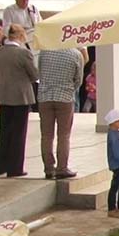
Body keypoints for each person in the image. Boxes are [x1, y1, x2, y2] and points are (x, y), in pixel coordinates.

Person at [0, 24, 39, 177]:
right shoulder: (23, 53)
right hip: (21, 96)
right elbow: (34, 75)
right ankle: (15, 167)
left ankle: (1, 165)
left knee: (4, 130)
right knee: (18, 132)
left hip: (3, 94)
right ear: (20, 35)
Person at [37, 47, 84, 180]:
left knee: (46, 135)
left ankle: (48, 168)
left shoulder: (45, 51)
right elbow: (78, 79)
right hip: (65, 97)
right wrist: (69, 89)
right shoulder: (75, 54)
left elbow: (39, 72)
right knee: (64, 135)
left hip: (45, 96)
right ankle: (62, 168)